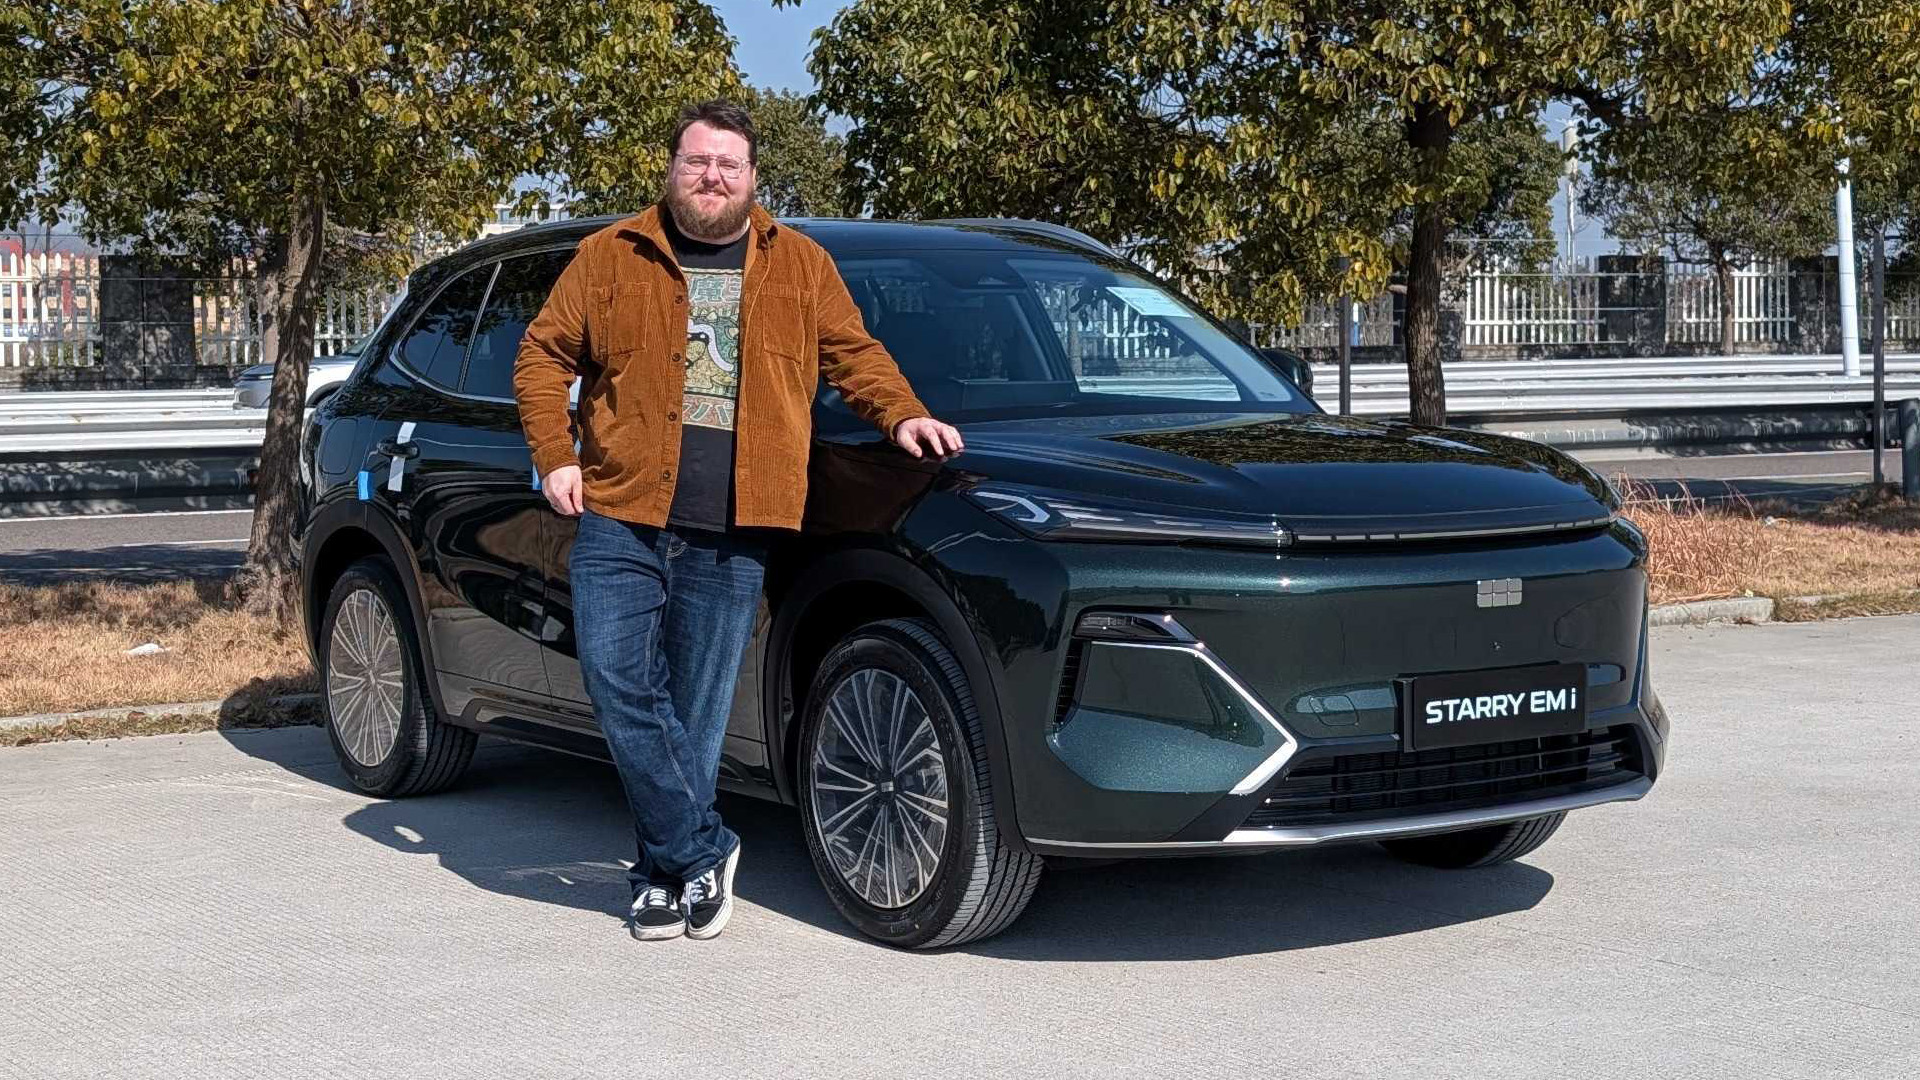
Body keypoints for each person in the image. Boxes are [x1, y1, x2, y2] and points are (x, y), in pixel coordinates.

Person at [512, 99, 963, 941]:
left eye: (729, 164)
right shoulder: (608, 256)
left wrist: (902, 413)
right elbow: (542, 355)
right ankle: (705, 847)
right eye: (698, 161)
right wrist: (555, 453)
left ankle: (660, 877)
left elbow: (853, 354)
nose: (712, 176)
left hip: (736, 525)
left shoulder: (801, 265)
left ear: (752, 176)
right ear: (672, 168)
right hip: (620, 510)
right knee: (613, 679)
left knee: (695, 712)